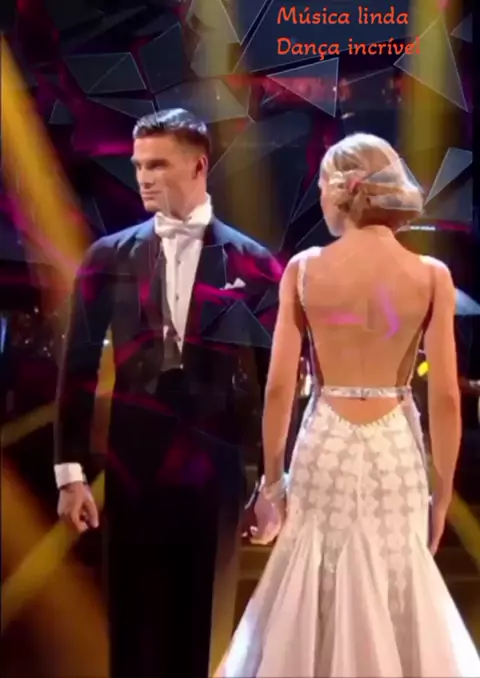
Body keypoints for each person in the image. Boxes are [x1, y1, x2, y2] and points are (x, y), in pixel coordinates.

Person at [217, 132, 480, 677]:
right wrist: (442, 493)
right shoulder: (431, 276)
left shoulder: (305, 269)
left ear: (343, 190)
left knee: (315, 578)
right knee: (395, 581)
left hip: (326, 445)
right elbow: (446, 396)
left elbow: (279, 388)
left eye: (320, 185)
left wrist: (272, 482)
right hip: (394, 450)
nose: (319, 196)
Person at [54, 108, 281, 678]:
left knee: (203, 629)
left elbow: (275, 382)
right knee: (129, 626)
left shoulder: (253, 263)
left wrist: (273, 483)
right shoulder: (107, 257)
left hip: (216, 467)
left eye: (157, 165)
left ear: (199, 166)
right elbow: (78, 366)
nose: (143, 178)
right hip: (131, 464)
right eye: (138, 166)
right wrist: (71, 473)